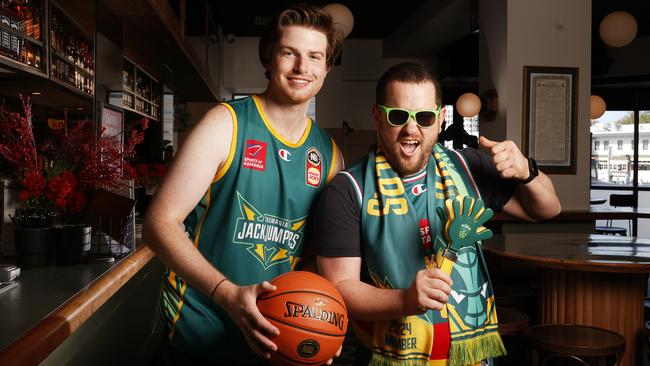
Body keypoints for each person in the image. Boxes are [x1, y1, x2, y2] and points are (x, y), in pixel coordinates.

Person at [314, 62, 561, 365]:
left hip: (470, 356)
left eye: (425, 117)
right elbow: (340, 288)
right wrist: (405, 300)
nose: (411, 129)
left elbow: (547, 209)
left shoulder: (468, 167)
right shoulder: (348, 189)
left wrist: (527, 172)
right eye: (398, 116)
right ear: (378, 117)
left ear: (441, 119)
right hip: (392, 354)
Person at [143, 4, 344, 365]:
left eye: (315, 56)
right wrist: (226, 293)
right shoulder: (225, 125)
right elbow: (159, 224)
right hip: (197, 339)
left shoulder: (329, 156)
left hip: (274, 346)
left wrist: (321, 328)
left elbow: (316, 259)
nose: (302, 67)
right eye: (290, 53)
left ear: (326, 68)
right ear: (270, 59)